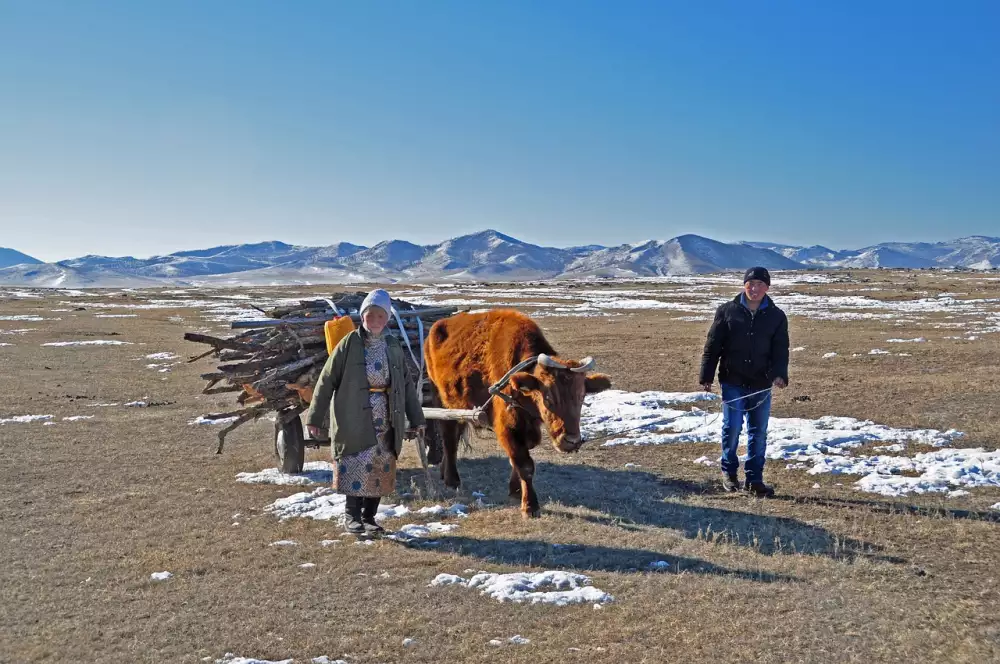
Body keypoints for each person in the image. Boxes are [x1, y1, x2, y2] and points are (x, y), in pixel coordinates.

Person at [305, 289, 426, 535]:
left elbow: (405, 385)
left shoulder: (392, 346)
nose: (375, 321)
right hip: (353, 414)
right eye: (371, 315)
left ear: (388, 318)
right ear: (363, 317)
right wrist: (315, 417)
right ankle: (352, 517)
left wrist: (416, 418)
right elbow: (327, 380)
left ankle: (369, 518)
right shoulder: (348, 343)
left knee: (382, 464)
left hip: (387, 414)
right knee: (355, 462)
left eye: (381, 316)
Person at [699, 267, 789, 497]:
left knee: (758, 433)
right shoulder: (727, 311)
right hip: (733, 380)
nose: (755, 288)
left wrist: (779, 374)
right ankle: (729, 474)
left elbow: (781, 350)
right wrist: (706, 376)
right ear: (744, 285)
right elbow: (713, 346)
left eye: (760, 284)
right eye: (751, 283)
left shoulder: (776, 316)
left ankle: (754, 479)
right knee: (732, 429)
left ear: (767, 287)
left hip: (761, 383)